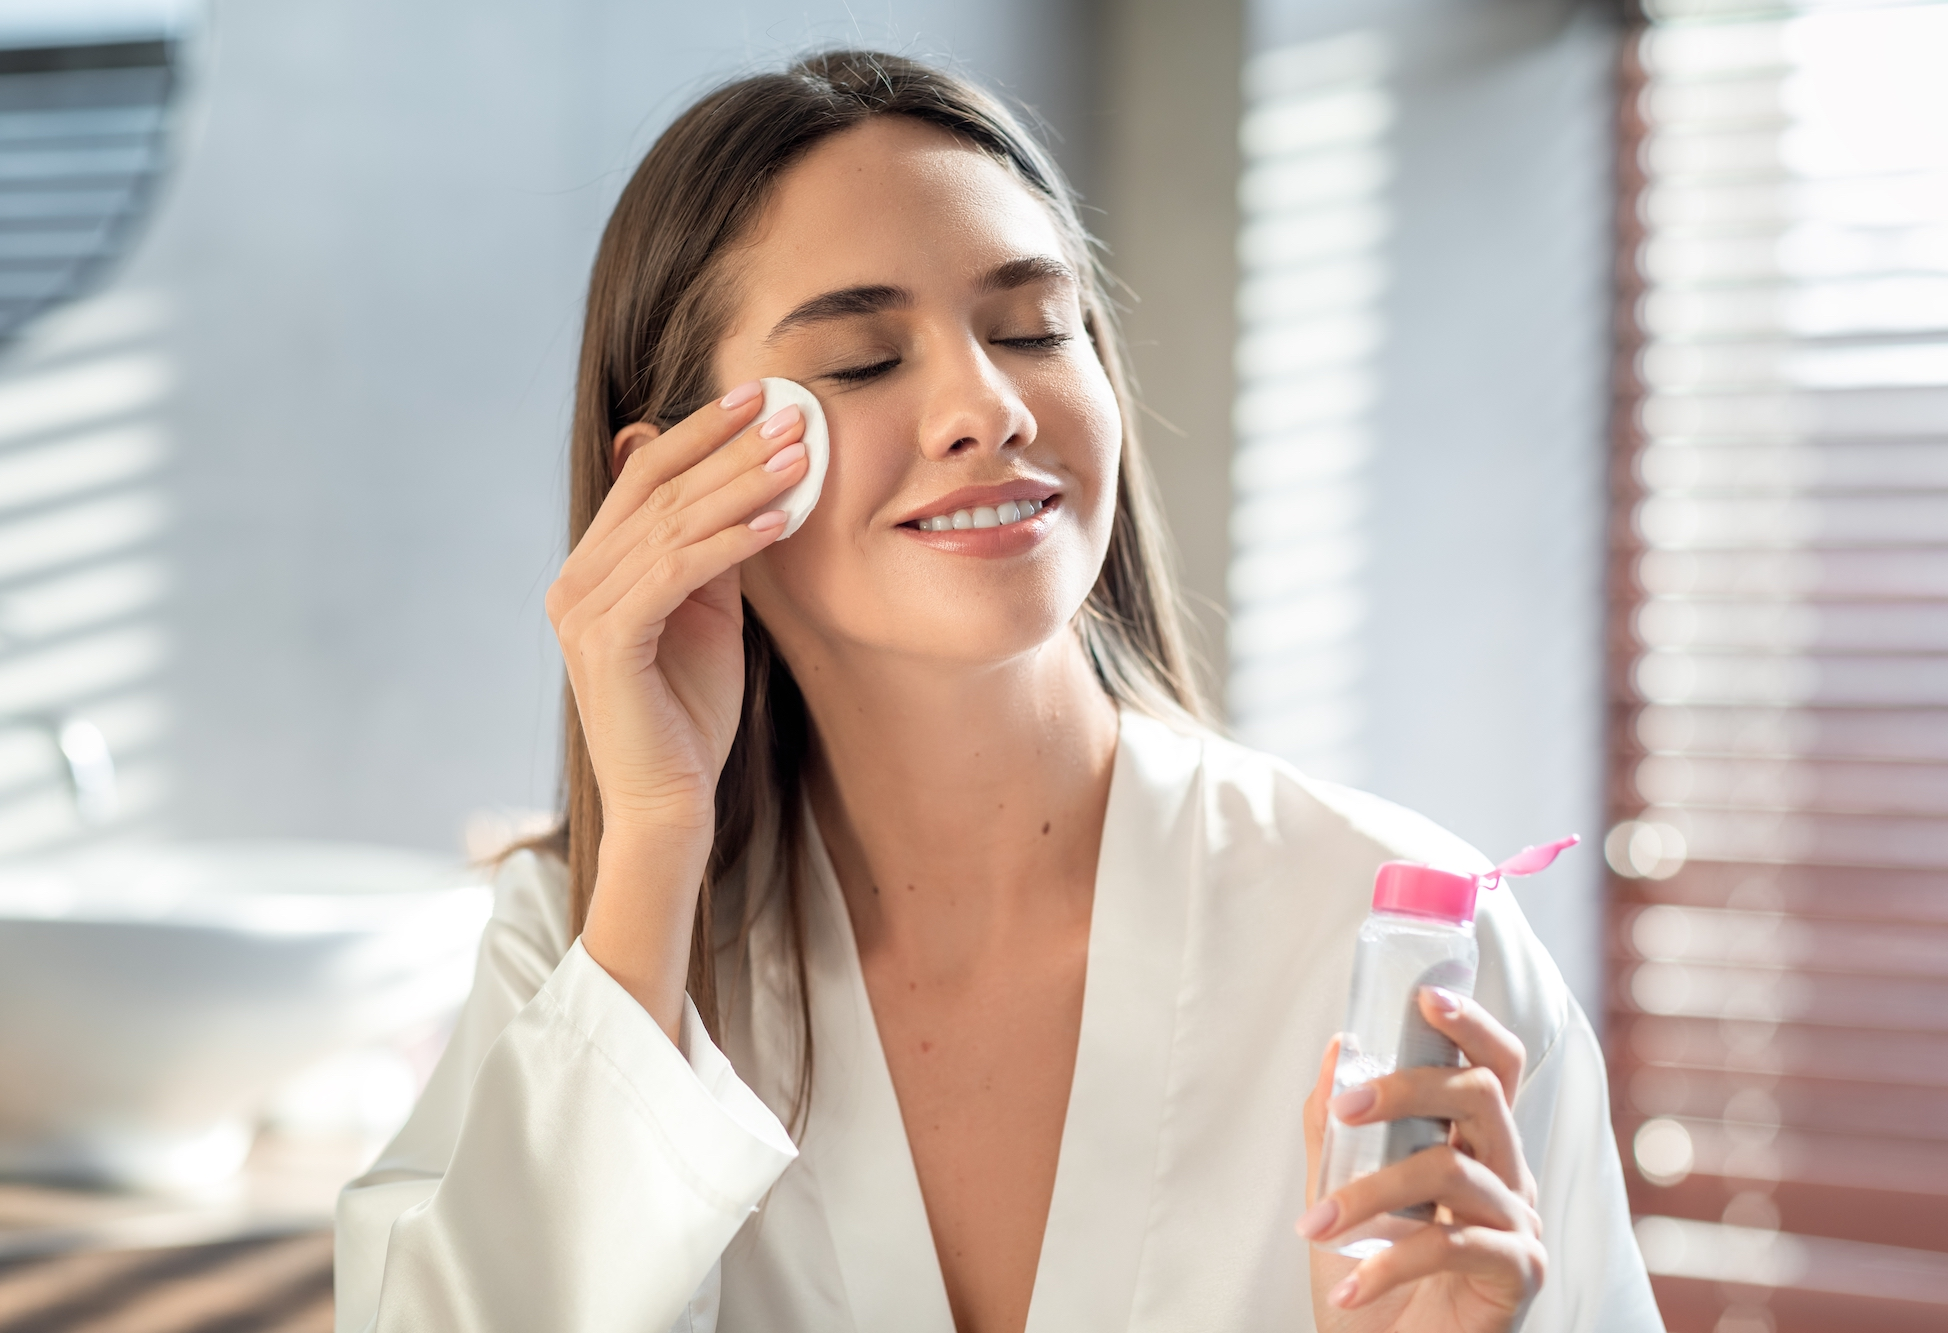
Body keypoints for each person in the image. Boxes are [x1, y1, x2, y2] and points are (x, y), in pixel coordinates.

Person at [334, 50, 1662, 1333]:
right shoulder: (581, 942)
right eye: (861, 361)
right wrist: (657, 845)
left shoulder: (1396, 945)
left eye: (1035, 328)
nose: (989, 405)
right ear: (672, 481)